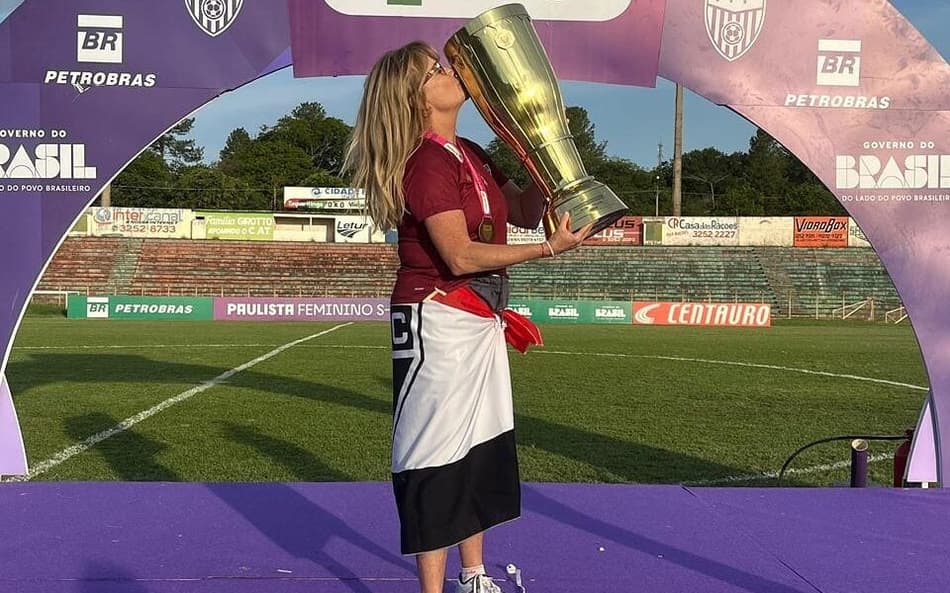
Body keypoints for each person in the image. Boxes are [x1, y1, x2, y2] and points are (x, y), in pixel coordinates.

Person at [343, 41, 591, 593]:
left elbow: (526, 210)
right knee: (432, 453)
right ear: (413, 96)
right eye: (434, 69)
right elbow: (458, 255)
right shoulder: (423, 162)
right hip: (436, 316)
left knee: (480, 443)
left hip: (479, 317)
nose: (448, 70)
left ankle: (475, 575)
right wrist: (548, 250)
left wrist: (547, 153)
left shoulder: (473, 150)